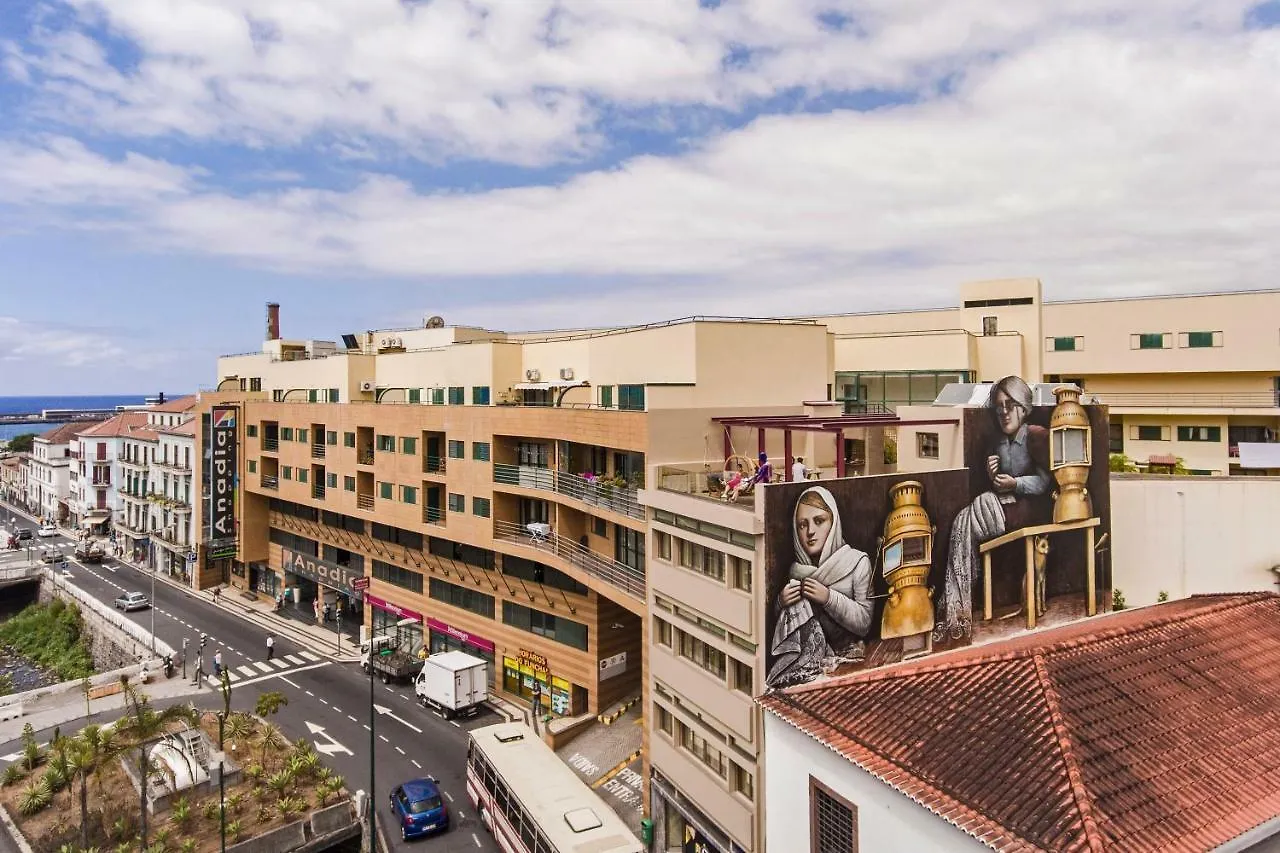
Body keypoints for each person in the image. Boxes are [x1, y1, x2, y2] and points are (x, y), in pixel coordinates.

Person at [936, 375, 1053, 640]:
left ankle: (957, 602)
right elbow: (1001, 487)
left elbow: (1044, 484)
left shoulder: (1037, 436)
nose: (1003, 412)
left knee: (975, 510)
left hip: (1030, 510)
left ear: (1023, 407)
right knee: (962, 520)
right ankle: (957, 603)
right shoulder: (998, 443)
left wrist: (1015, 483)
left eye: (1009, 404)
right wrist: (994, 477)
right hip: (1006, 506)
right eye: (999, 405)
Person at [766, 486, 874, 688]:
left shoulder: (857, 562)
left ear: (834, 523)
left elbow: (865, 622)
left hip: (849, 665)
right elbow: (787, 626)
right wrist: (781, 603)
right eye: (802, 525)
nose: (810, 532)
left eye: (819, 521)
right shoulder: (796, 571)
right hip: (807, 670)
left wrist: (828, 598)